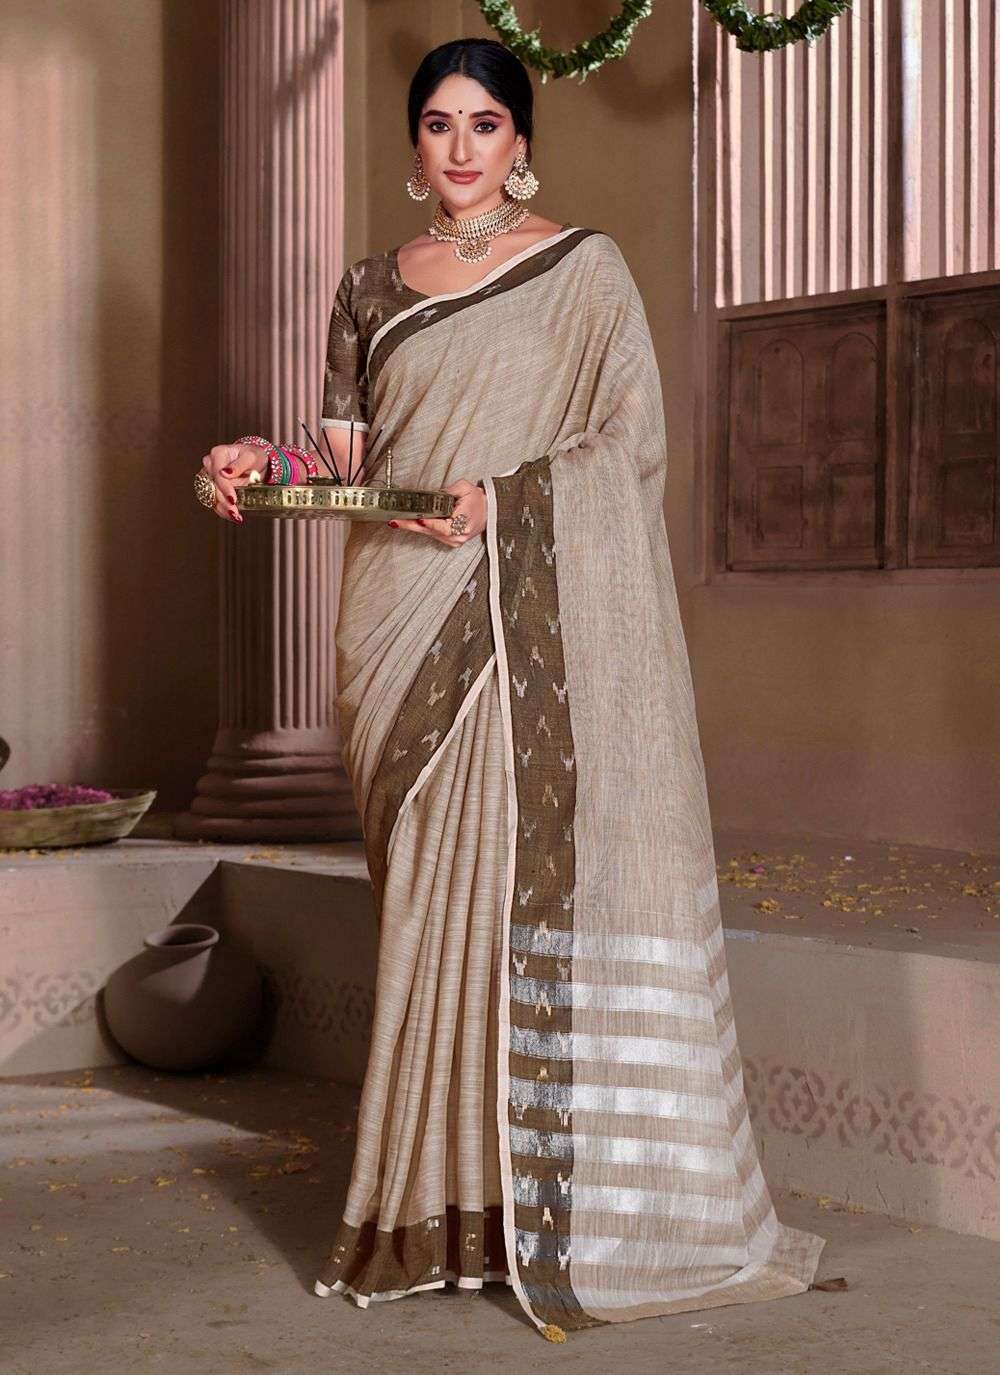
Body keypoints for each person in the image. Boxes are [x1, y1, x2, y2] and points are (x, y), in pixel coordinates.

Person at [198, 36, 829, 1344]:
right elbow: (347, 469)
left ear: (521, 139)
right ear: (413, 143)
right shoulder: (368, 288)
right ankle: (441, 1210)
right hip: (399, 622)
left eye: (485, 122)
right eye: (439, 123)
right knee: (432, 907)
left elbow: (629, 443)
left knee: (512, 903)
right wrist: (263, 466)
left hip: (518, 604)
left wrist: (505, 501)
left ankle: (554, 1207)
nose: (462, 147)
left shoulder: (582, 270)